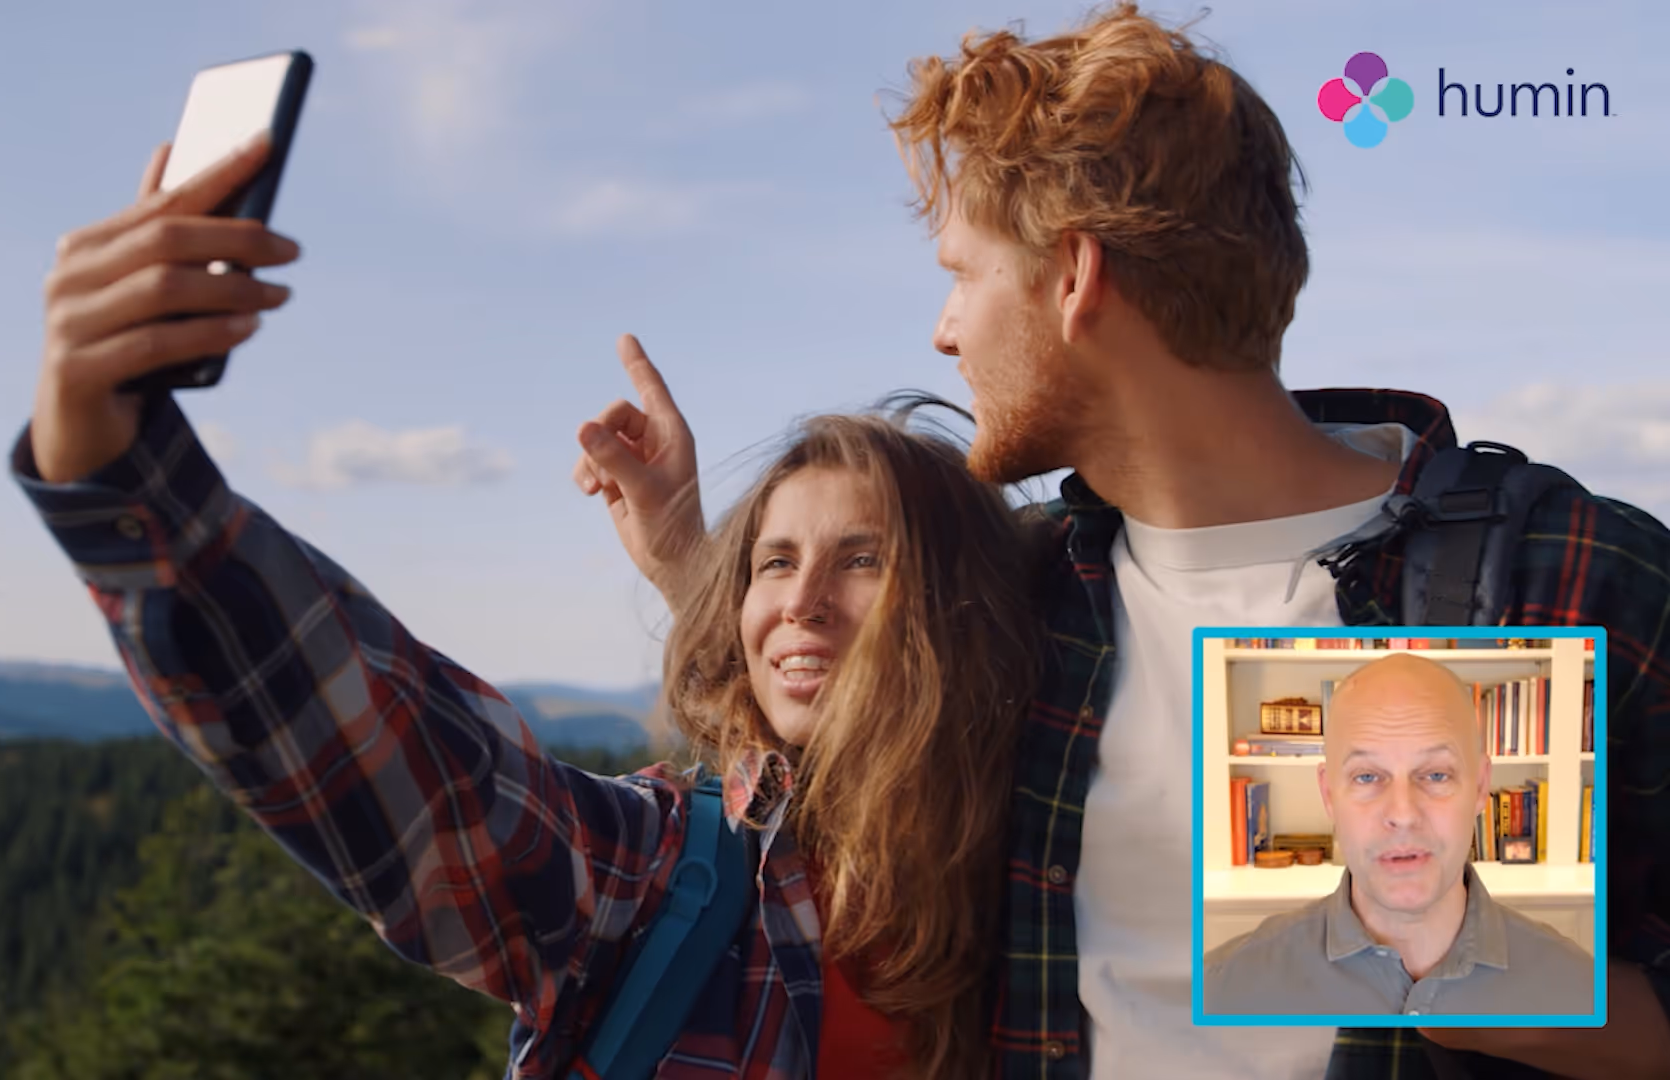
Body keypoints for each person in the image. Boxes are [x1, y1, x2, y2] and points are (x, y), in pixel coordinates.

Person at [571, 5, 1670, 1078]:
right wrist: (687, 554)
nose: (943, 329)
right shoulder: (1019, 584)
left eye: (962, 273)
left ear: (1075, 278)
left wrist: (1479, 976)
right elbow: (823, 733)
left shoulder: (1568, 580)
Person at [12, 132, 1055, 1078]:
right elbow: (411, 765)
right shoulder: (664, 878)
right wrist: (117, 471)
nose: (801, 600)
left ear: (955, 611)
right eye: (771, 563)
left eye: (862, 559)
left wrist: (697, 566)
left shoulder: (1049, 862)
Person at [1202, 654, 1594, 1017]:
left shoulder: (1581, 991)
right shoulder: (1222, 989)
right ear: (1329, 794)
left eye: (1436, 775)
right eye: (1367, 776)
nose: (1403, 815)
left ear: (1479, 787)